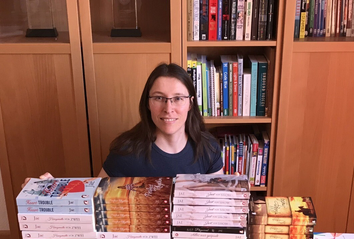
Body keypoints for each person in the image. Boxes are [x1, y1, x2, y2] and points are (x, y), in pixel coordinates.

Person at [22, 63, 223, 188]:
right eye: (159, 98)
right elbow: (94, 203)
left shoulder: (209, 147)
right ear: (147, 102)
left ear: (190, 103)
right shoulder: (126, 151)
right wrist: (48, 190)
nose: (168, 108)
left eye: (177, 98)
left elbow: (217, 205)